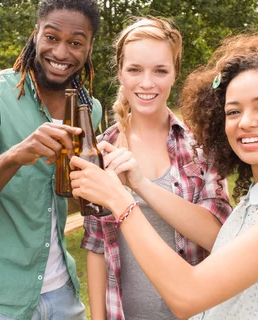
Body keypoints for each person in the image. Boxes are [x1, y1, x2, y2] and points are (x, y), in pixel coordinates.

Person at [70, 34, 258, 319]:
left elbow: (187, 295)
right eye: (233, 111)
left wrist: (121, 201)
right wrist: (139, 183)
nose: (246, 122)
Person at [0, 0, 102, 320]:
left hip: (63, 294)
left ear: (89, 47)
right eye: (51, 37)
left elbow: (69, 201)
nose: (61, 52)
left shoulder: (89, 110)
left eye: (76, 42)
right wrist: (16, 156)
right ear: (35, 35)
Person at [80, 17, 232, 320]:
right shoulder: (100, 150)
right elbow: (97, 247)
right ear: (121, 74)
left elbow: (219, 237)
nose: (146, 83)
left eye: (160, 70)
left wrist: (140, 185)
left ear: (175, 74)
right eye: (135, 70)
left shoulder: (201, 146)